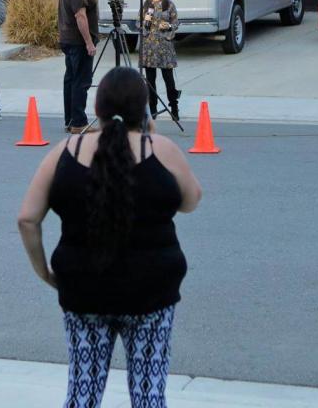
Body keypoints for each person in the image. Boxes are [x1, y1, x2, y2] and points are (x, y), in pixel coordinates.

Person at [17, 66, 201, 407]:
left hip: (83, 291)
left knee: (83, 391)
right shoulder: (159, 149)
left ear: (97, 109)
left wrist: (44, 272)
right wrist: (152, 136)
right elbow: (191, 201)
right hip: (151, 294)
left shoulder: (66, 151)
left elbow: (28, 218)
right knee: (149, 393)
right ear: (143, 110)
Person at [58, 0, 98, 133]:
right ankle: (79, 123)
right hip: (78, 42)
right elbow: (80, 16)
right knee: (81, 81)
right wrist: (89, 43)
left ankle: (71, 121)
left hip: (70, 40)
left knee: (72, 80)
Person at [140, 0, 181, 121]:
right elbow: (140, 25)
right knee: (150, 80)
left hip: (164, 46)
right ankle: (153, 108)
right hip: (149, 47)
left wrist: (168, 26)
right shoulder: (146, 5)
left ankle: (174, 108)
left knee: (168, 79)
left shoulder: (169, 5)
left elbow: (176, 23)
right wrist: (144, 21)